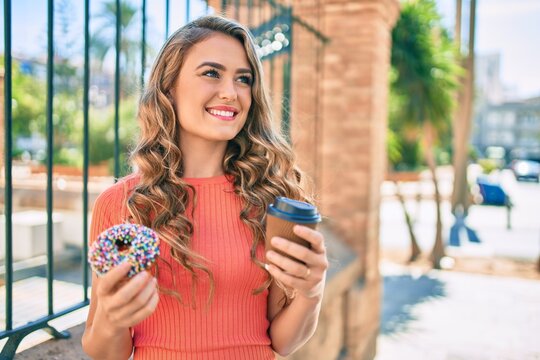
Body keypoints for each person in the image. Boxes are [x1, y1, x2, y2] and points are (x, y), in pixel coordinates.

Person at [81, 15, 328, 360]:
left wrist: (311, 292)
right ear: (169, 87)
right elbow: (105, 351)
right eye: (211, 73)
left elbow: (283, 342)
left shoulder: (273, 199)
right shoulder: (123, 203)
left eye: (244, 79)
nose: (231, 92)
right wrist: (110, 315)